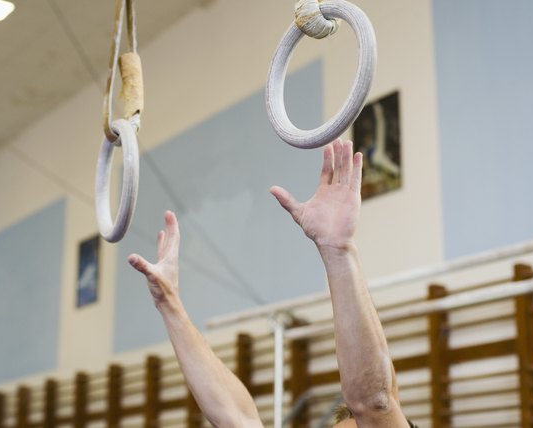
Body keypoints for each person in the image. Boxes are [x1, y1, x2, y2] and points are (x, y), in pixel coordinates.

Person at [128, 139, 413, 427]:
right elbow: (239, 420)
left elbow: (375, 403)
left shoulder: (375, 410)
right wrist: (169, 305)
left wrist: (338, 250)